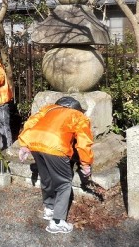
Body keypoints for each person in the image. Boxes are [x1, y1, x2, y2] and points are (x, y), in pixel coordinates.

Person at [17, 96, 94, 234]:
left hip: (35, 144)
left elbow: (30, 123)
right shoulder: (78, 115)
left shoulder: (48, 109)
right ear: (75, 107)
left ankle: (49, 208)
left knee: (46, 178)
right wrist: (86, 163)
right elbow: (83, 141)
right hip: (56, 148)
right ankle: (57, 222)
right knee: (64, 183)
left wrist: (24, 145)